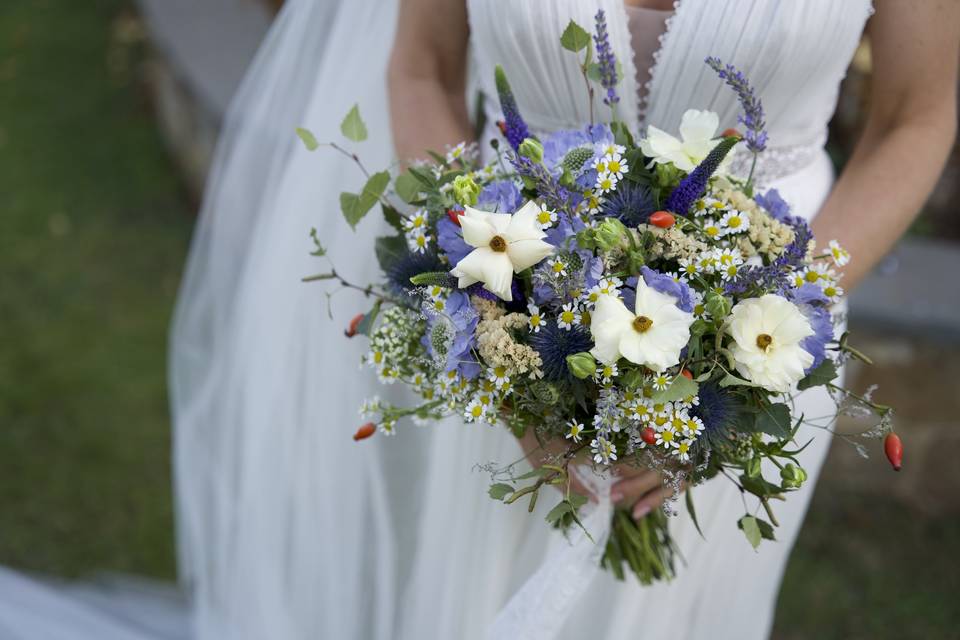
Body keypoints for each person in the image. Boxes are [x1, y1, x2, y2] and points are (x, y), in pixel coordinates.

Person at [166, 0, 957, 639]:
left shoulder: (762, 327)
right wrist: (498, 325)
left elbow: (916, 117)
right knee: (474, 596)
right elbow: (422, 69)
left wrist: (757, 329)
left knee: (686, 612)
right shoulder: (500, 324)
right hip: (507, 305)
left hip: (763, 331)